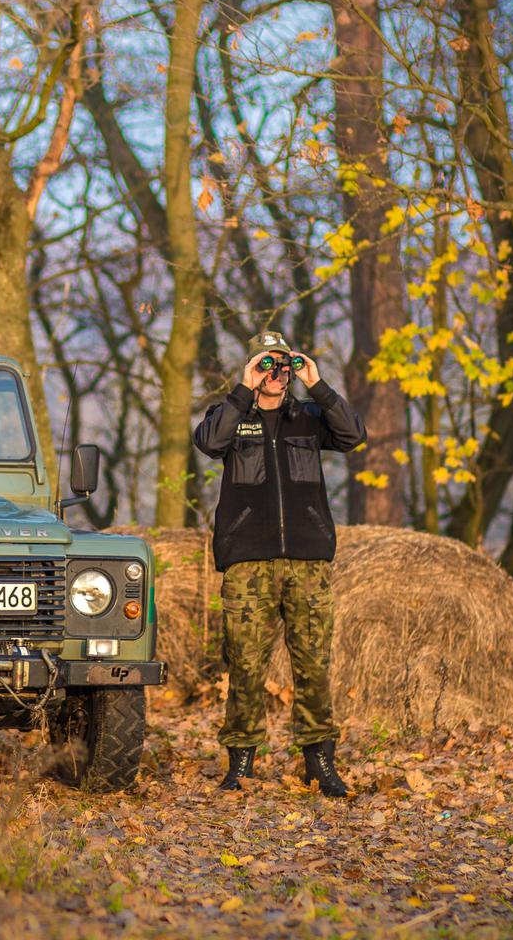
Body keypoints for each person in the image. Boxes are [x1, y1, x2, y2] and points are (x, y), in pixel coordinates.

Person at [193, 331, 367, 796]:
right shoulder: (231, 416)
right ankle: (242, 763)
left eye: (283, 365)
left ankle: (319, 764)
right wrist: (242, 389)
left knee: (313, 665)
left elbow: (353, 434)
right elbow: (208, 443)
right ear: (253, 368)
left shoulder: (309, 417)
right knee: (246, 665)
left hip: (308, 563)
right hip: (248, 564)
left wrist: (319, 384)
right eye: (267, 365)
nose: (277, 374)